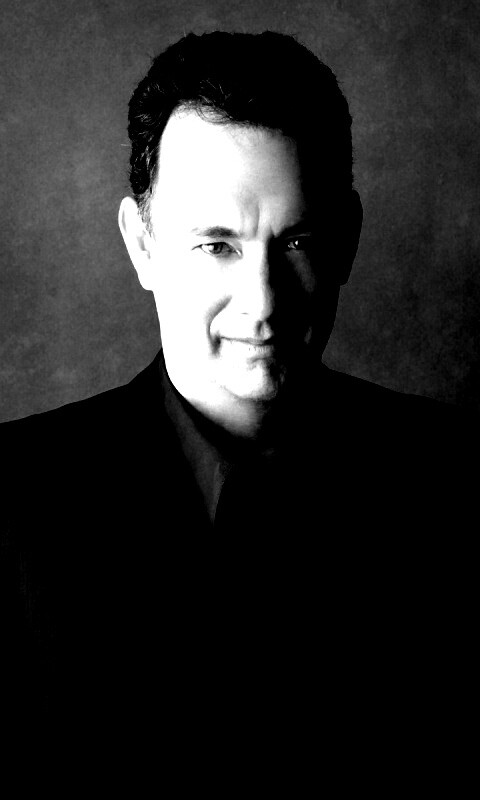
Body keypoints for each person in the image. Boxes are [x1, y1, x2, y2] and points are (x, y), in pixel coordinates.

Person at [1, 31, 476, 761]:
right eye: (217, 245)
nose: (263, 304)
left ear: (347, 240)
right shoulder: (11, 501)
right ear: (142, 246)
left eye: (297, 242)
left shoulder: (457, 477)